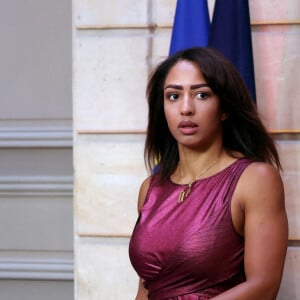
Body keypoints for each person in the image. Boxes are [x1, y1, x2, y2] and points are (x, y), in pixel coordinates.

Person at [128, 47, 288, 300]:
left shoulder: (255, 179)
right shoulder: (151, 188)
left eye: (202, 95)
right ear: (163, 109)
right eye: (173, 96)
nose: (186, 108)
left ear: (225, 109)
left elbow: (263, 287)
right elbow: (145, 288)